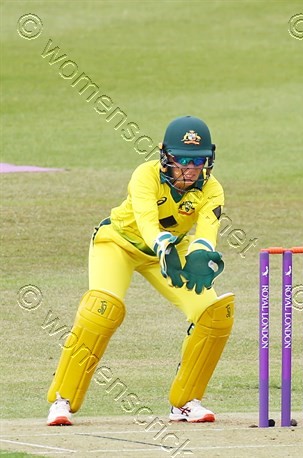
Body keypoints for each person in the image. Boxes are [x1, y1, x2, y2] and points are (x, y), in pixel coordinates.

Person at [46, 115, 234, 426]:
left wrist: (202, 254)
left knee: (214, 314)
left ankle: (185, 402)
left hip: (171, 250)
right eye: (182, 160)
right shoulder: (145, 175)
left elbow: (206, 231)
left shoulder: (212, 189)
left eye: (198, 161)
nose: (190, 169)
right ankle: (62, 399)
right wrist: (163, 247)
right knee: (101, 310)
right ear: (166, 157)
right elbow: (147, 222)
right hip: (119, 243)